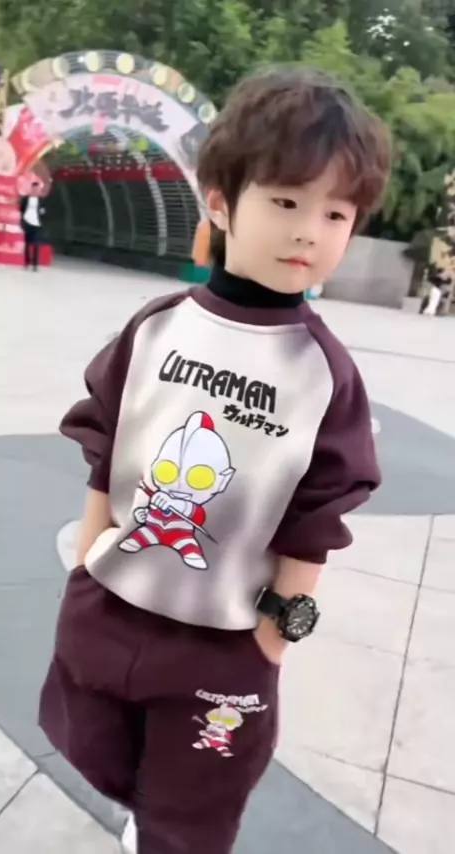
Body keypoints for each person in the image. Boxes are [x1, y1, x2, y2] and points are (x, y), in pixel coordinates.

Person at [39, 67, 391, 854]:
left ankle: (163, 828)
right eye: (287, 202)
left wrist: (274, 640)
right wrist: (86, 565)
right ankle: (144, 806)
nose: (310, 231)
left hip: (224, 646)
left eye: (336, 213)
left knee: (194, 809)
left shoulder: (323, 371)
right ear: (222, 203)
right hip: (111, 605)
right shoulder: (158, 327)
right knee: (91, 743)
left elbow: (316, 518)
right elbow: (107, 445)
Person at [19, 181, 45, 270]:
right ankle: (27, 262)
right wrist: (22, 221)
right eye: (34, 189)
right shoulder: (26, 199)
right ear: (31, 189)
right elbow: (21, 209)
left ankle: (35, 264)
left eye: (37, 189)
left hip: (36, 223)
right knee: (27, 244)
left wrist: (43, 213)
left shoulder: (41, 200)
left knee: (36, 244)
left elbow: (44, 211)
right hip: (27, 222)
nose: (35, 191)